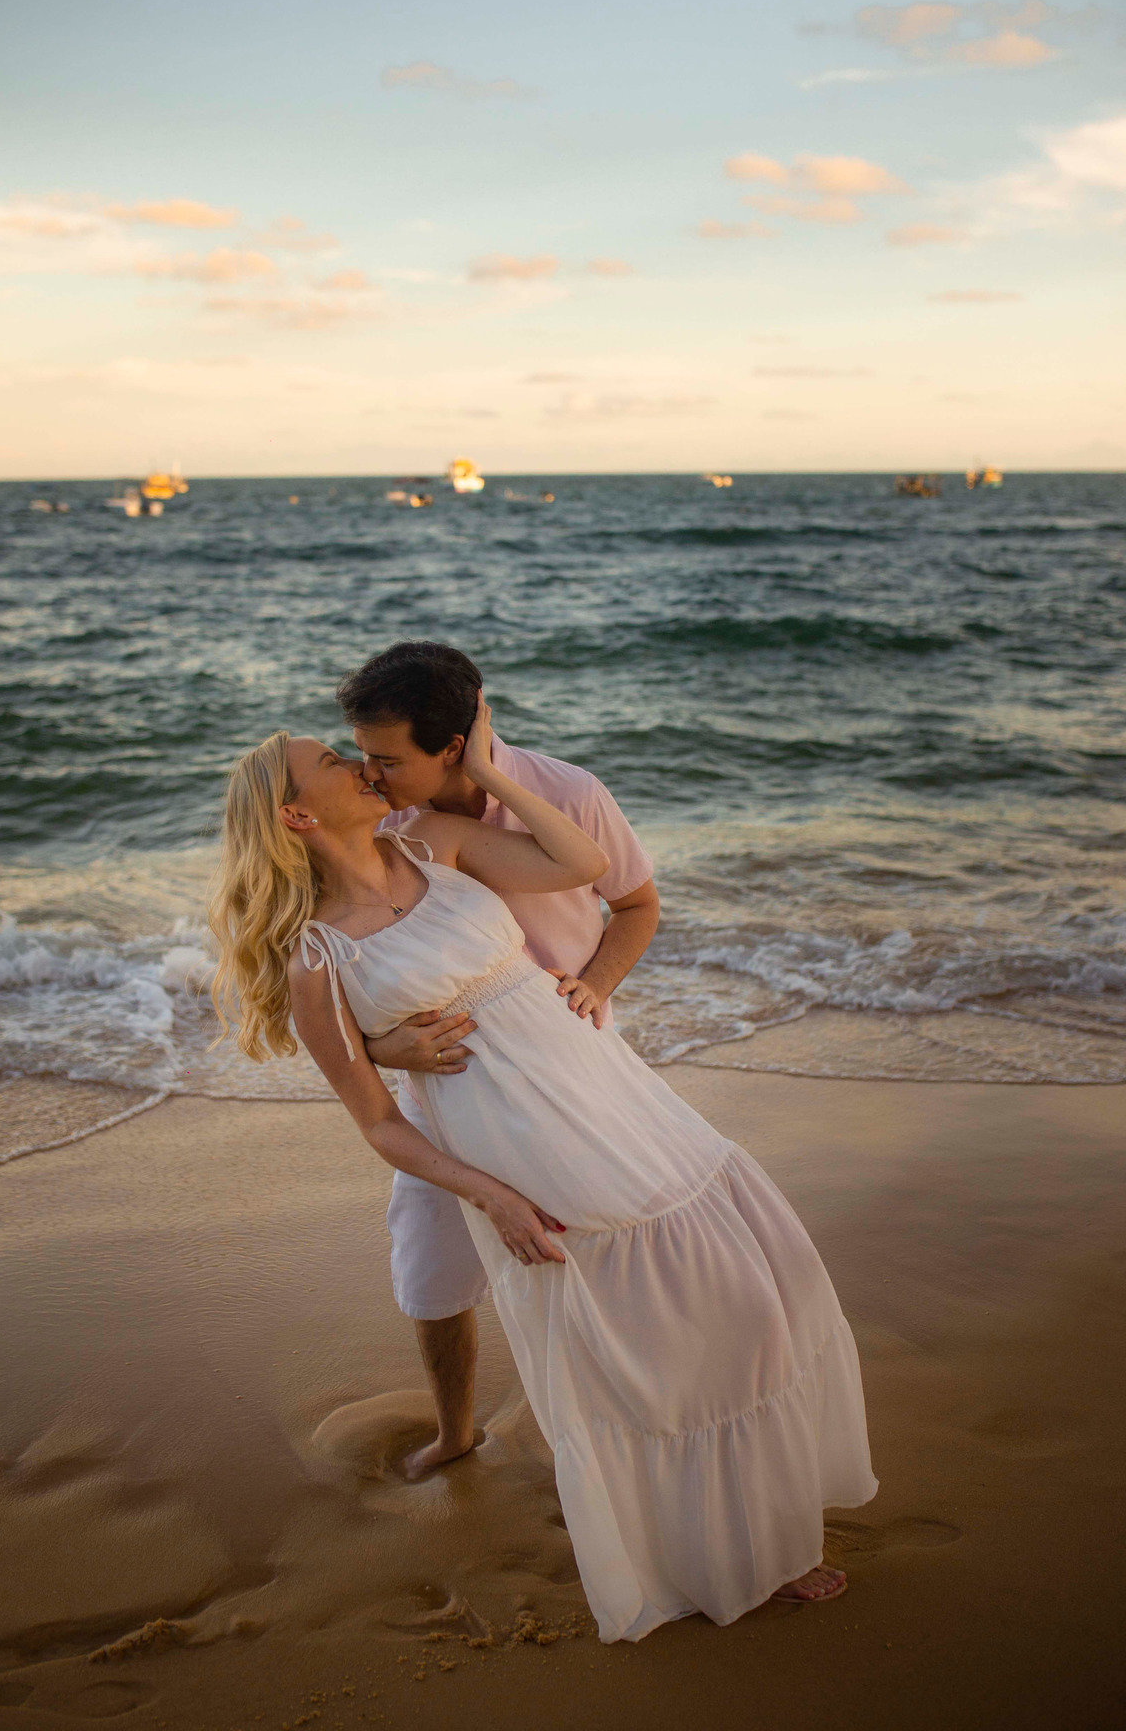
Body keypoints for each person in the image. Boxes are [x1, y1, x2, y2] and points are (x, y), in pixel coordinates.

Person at [210, 700, 877, 1644]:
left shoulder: (433, 841)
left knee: (746, 1293)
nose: (357, 763)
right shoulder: (315, 954)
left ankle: (763, 1527)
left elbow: (584, 868)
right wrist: (489, 1190)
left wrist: (484, 772)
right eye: (331, 760)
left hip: (605, 1085)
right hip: (513, 1145)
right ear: (295, 815)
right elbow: (377, 1126)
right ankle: (716, 1555)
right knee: (641, 1347)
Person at [335, 641, 659, 1481]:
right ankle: (456, 1431)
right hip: (444, 1083)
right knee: (428, 1263)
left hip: (569, 1065)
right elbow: (346, 973)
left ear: (453, 747)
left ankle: (637, 1432)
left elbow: (633, 902)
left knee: (604, 1254)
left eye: (386, 759)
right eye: (361, 756)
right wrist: (383, 1046)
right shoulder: (387, 827)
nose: (368, 777)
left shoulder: (567, 793)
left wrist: (594, 984)